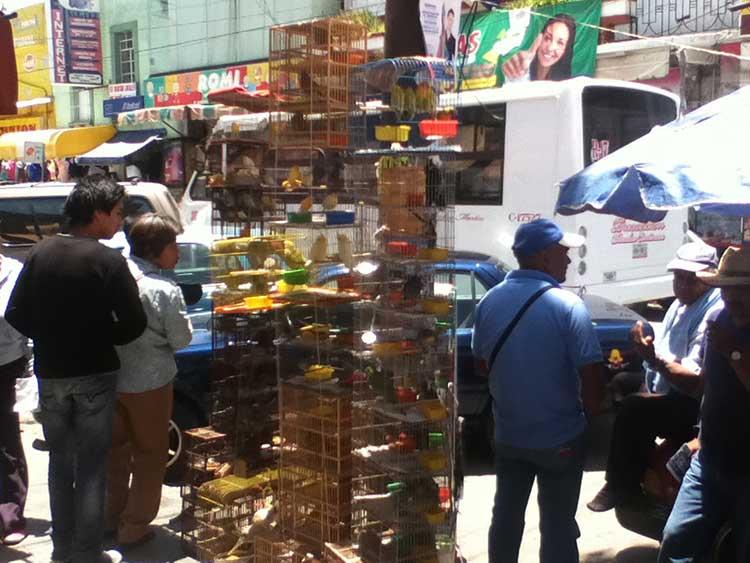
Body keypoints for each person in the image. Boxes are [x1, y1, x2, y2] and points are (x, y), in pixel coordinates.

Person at [5, 175, 147, 563]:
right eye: (117, 214)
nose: (120, 222)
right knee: (91, 469)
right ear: (97, 213)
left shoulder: (39, 254)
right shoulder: (108, 260)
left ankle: (62, 549)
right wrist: (99, 336)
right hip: (95, 375)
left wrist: (52, 337)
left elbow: (15, 314)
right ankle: (87, 552)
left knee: (59, 464)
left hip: (52, 375)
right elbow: (134, 323)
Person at [472, 218, 604, 563]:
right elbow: (591, 372)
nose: (570, 261)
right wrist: (592, 417)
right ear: (544, 257)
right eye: (564, 252)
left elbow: (481, 365)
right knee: (558, 525)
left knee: (505, 518)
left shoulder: (489, 302)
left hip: (509, 436)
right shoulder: (568, 306)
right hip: (560, 437)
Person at [587, 242, 722, 512]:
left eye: (691, 278)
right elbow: (660, 352)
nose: (682, 285)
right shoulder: (678, 306)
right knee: (620, 383)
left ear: (709, 279)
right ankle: (639, 464)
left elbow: (694, 382)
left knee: (636, 407)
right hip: (668, 386)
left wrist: (653, 359)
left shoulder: (712, 311)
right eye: (678, 277)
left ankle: (619, 483)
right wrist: (642, 351)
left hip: (697, 404)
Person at [658, 245, 750, 562]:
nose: (732, 300)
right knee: (676, 541)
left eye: (742, 291)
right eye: (726, 290)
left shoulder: (726, 334)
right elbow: (706, 384)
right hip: (711, 460)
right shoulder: (718, 317)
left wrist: (734, 352)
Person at [106, 214, 192, 549]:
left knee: (115, 453)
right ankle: (134, 526)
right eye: (174, 245)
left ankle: (108, 518)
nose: (178, 253)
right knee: (150, 455)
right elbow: (182, 339)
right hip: (149, 384)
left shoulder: (112, 274)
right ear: (156, 250)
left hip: (110, 379)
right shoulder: (163, 290)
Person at [0, 253, 30, 546]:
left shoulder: (15, 271)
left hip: (8, 365)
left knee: (7, 441)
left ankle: (12, 516)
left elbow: (30, 318)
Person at [502, 14, 577, 82]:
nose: (550, 48)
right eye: (547, 38)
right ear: (540, 38)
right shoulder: (524, 67)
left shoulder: (564, 84)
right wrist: (515, 73)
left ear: (566, 50)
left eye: (560, 43)